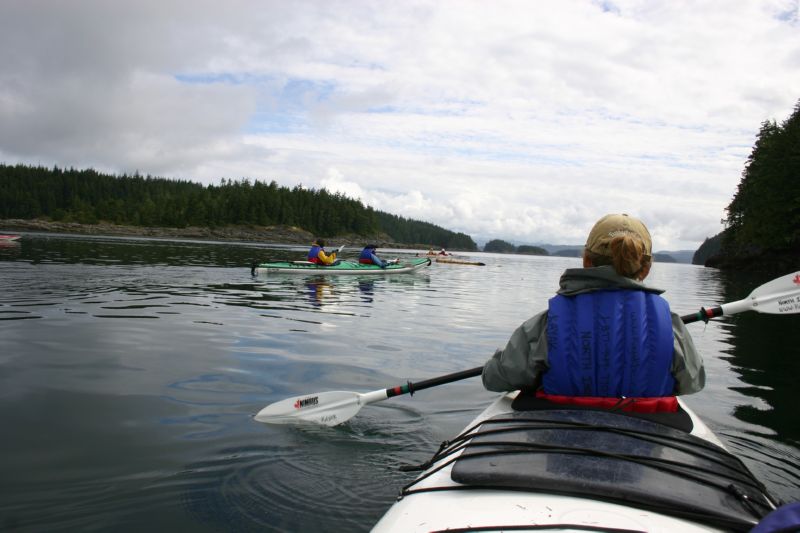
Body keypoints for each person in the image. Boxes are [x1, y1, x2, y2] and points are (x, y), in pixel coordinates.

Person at [482, 213, 705, 403]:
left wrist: (498, 362)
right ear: (645, 269)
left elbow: (495, 379)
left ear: (586, 261)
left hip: (561, 437)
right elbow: (694, 382)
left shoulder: (546, 324)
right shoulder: (671, 325)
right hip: (645, 438)